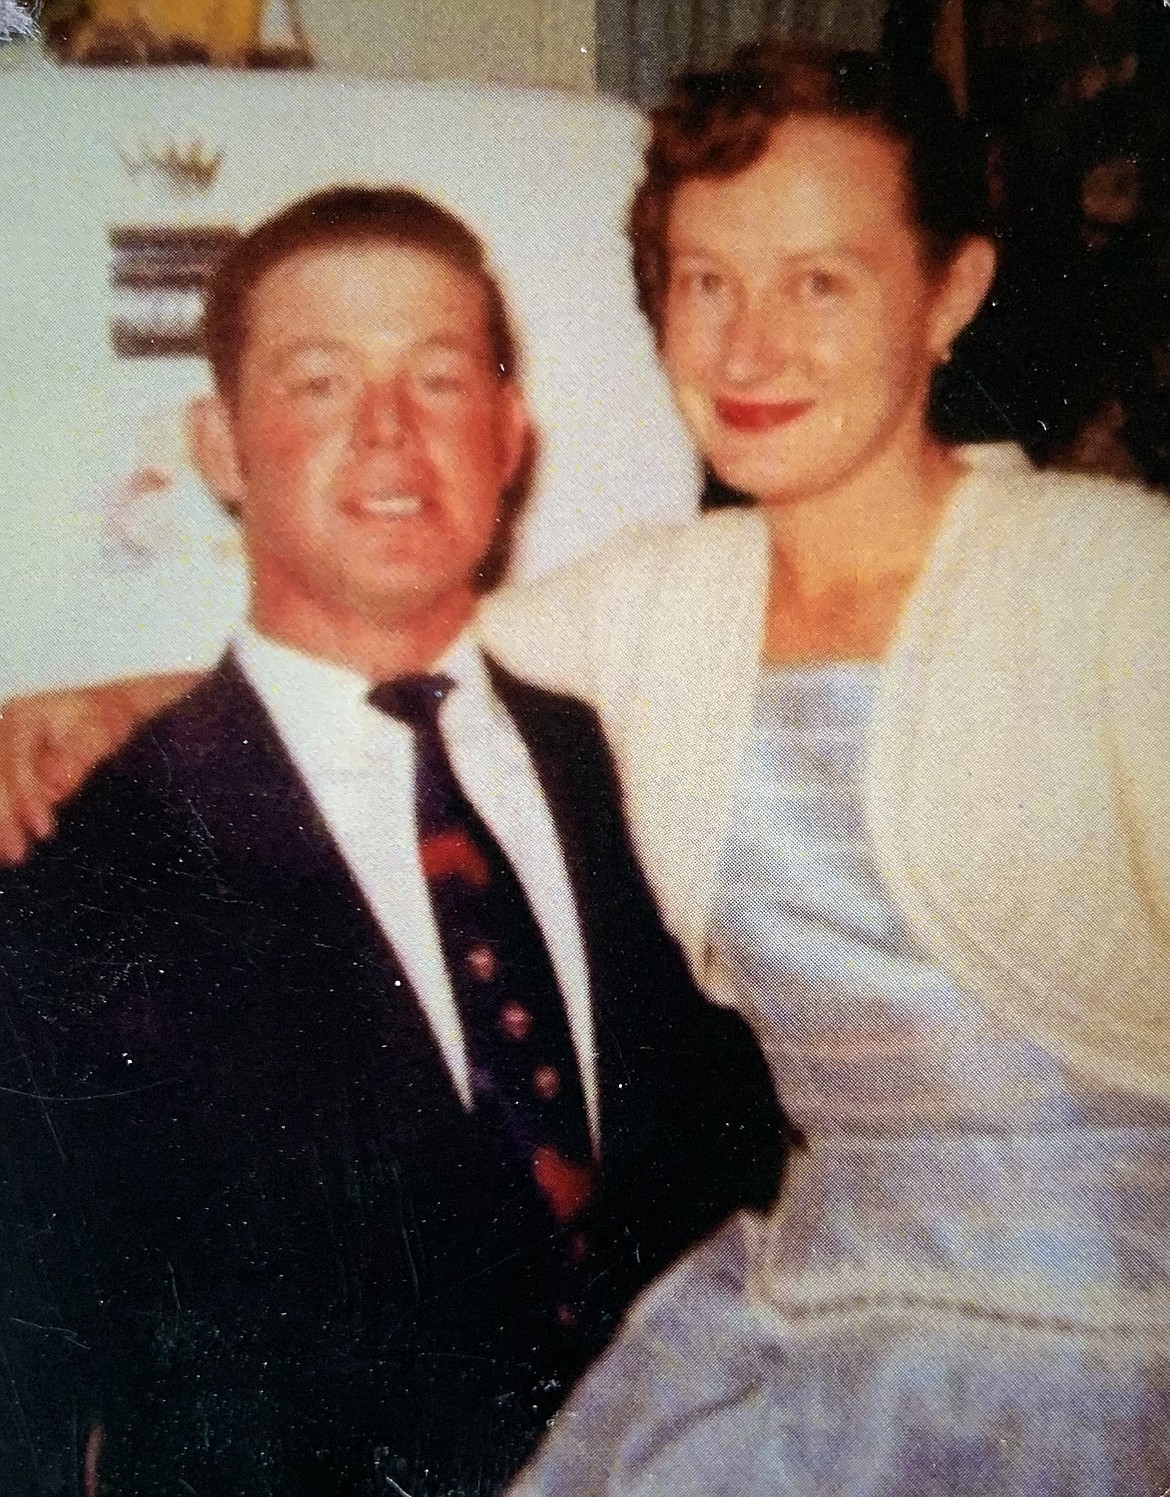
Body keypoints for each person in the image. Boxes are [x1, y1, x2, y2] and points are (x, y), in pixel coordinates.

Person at [2, 37, 1169, 1495]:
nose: (750, 349)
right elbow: (388, 644)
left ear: (950, 292)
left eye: (820, 280)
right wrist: (88, 698)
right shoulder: (654, 615)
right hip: (814, 1334)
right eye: (704, 283)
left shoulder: (1120, 590)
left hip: (1113, 1341)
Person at [0, 185, 785, 1497]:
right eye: (317, 383)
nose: (387, 431)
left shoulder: (618, 758)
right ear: (220, 448)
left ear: (508, 433)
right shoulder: (85, 857)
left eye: (437, 377)